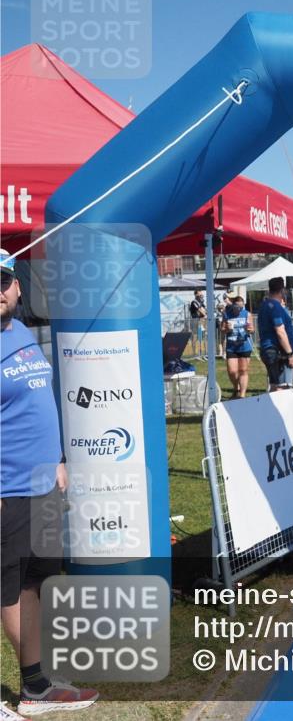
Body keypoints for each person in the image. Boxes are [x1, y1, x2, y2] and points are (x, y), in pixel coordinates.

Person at [0, 251, 98, 716]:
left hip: (42, 484)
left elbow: (38, 402)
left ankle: (35, 687)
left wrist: (57, 459)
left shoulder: (20, 332)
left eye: (3, 281)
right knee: (7, 586)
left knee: (33, 582)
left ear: (17, 287)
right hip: (9, 489)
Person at [256, 277, 293, 391]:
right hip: (277, 351)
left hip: (270, 349)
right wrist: (290, 354)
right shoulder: (275, 307)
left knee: (275, 385)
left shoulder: (265, 305)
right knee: (282, 387)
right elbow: (280, 331)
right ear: (282, 290)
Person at [222, 294, 254, 399]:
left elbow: (252, 329)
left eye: (241, 306)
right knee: (232, 371)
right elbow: (222, 329)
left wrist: (249, 329)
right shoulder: (227, 314)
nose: (239, 309)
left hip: (244, 345)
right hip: (231, 346)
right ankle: (236, 388)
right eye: (237, 306)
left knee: (243, 370)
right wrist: (227, 329)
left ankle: (242, 395)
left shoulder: (247, 314)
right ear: (233, 305)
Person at [189, 289, 208, 357]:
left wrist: (205, 314)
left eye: (201, 294)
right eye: (199, 294)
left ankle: (205, 353)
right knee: (195, 336)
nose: (201, 295)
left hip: (201, 320)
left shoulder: (201, 302)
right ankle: (195, 353)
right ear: (195, 294)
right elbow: (200, 310)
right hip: (195, 321)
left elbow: (204, 309)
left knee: (204, 335)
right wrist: (205, 315)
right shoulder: (194, 302)